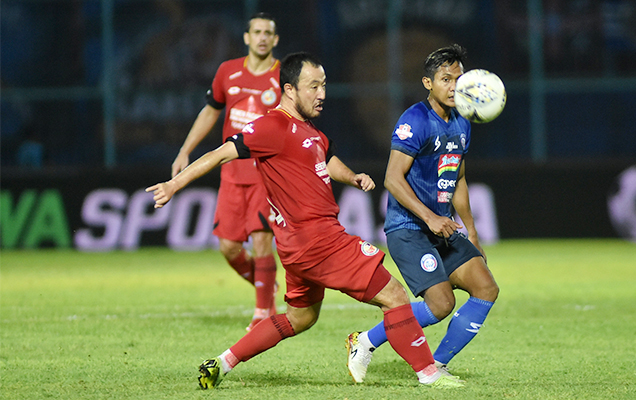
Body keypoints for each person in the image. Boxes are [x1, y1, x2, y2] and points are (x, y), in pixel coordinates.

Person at [146, 52, 463, 389]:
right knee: (395, 296)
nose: (322, 93)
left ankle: (221, 364)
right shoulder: (272, 126)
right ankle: (429, 374)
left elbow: (325, 159)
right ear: (289, 89)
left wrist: (352, 176)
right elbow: (220, 153)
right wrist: (173, 184)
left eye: (324, 85)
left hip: (298, 248)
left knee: (301, 317)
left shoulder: (309, 130)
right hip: (319, 241)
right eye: (313, 86)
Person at [345, 44, 499, 383]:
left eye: (458, 79)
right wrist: (429, 217)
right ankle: (365, 342)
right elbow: (392, 179)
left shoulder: (463, 122)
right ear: (428, 83)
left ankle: (437, 364)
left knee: (486, 288)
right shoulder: (414, 120)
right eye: (446, 79)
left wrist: (471, 231)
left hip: (442, 228)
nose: (453, 87)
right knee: (440, 305)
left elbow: (457, 178)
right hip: (408, 228)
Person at [171, 12, 281, 331]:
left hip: (266, 173)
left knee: (261, 241)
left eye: (268, 33)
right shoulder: (227, 72)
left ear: (275, 40)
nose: (262, 37)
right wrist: (185, 150)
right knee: (229, 248)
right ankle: (266, 285)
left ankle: (263, 311)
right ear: (246, 37)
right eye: (256, 32)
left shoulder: (282, 76)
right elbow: (210, 111)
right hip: (232, 173)